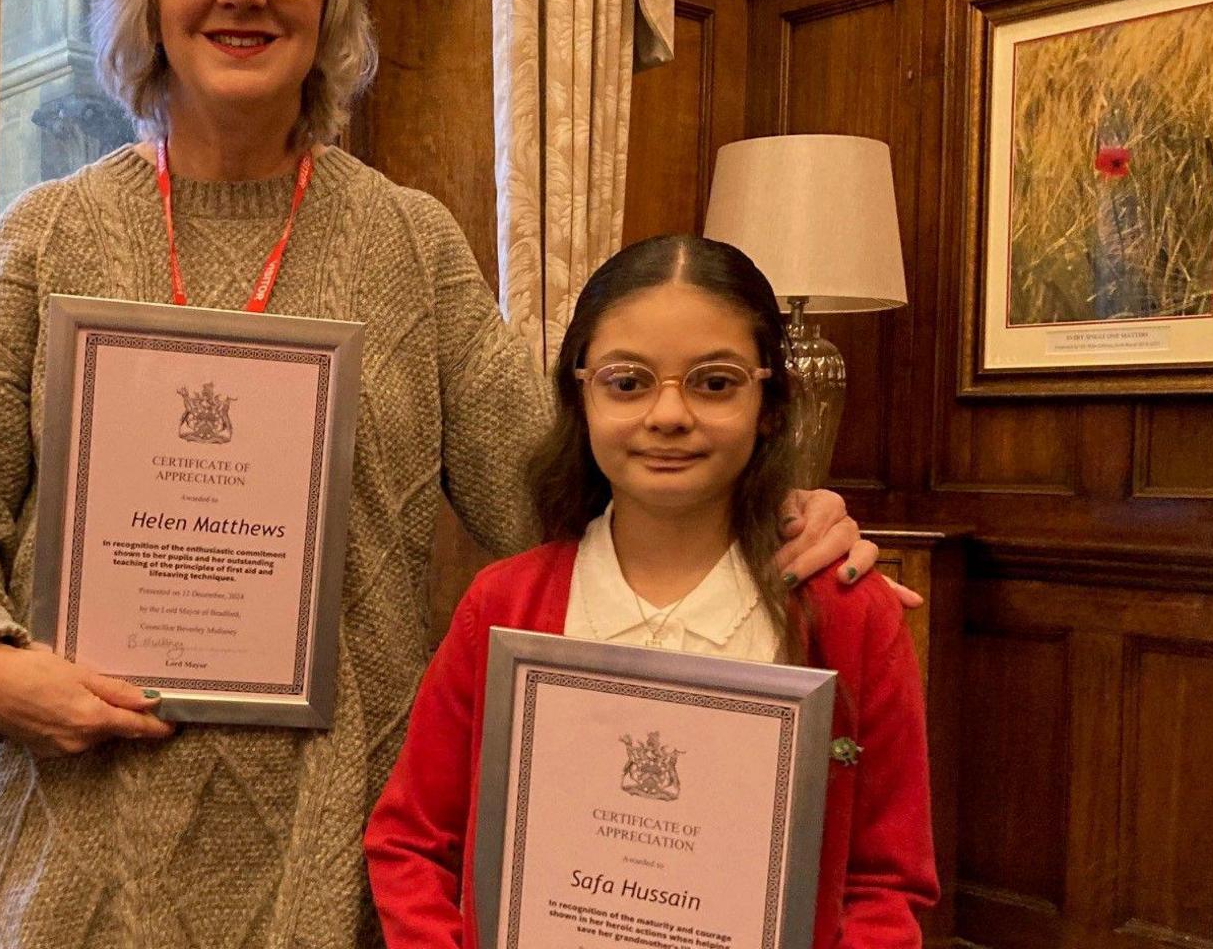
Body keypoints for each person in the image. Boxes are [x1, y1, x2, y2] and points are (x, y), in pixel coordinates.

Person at [0, 0, 876, 948]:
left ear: (330, 1)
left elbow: (554, 497)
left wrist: (768, 511)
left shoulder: (409, 245)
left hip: (334, 875)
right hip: (78, 870)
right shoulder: (44, 237)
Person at [365, 234, 937, 949]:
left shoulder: (850, 617)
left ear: (769, 404)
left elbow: (885, 886)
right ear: (580, 394)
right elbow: (410, 843)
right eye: (628, 382)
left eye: (715, 382)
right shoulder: (502, 607)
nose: (669, 415)